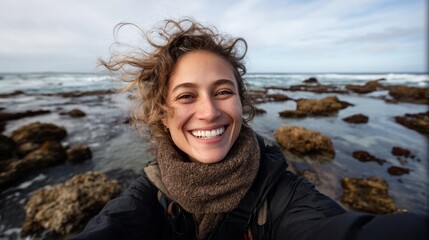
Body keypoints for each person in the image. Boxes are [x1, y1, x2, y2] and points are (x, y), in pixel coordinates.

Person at [73, 18, 428, 240]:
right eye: (186, 96)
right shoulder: (149, 195)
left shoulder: (282, 193)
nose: (209, 112)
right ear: (163, 115)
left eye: (223, 92)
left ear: (241, 103)